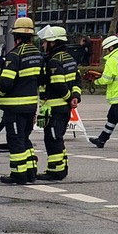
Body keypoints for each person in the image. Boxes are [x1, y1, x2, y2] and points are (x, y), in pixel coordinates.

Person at [0, 17, 44, 184]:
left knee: (15, 141)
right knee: (24, 138)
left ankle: (18, 174)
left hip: (14, 108)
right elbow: (42, 80)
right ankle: (31, 172)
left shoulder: (14, 56)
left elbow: (6, 82)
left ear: (16, 36)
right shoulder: (38, 55)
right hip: (30, 106)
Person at [37, 25, 81, 181]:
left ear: (53, 43)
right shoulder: (70, 58)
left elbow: (58, 84)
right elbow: (77, 80)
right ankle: (61, 167)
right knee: (58, 137)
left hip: (55, 107)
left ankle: (55, 171)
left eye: (45, 42)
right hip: (64, 108)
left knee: (52, 138)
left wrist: (69, 97)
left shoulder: (54, 61)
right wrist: (75, 96)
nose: (43, 45)